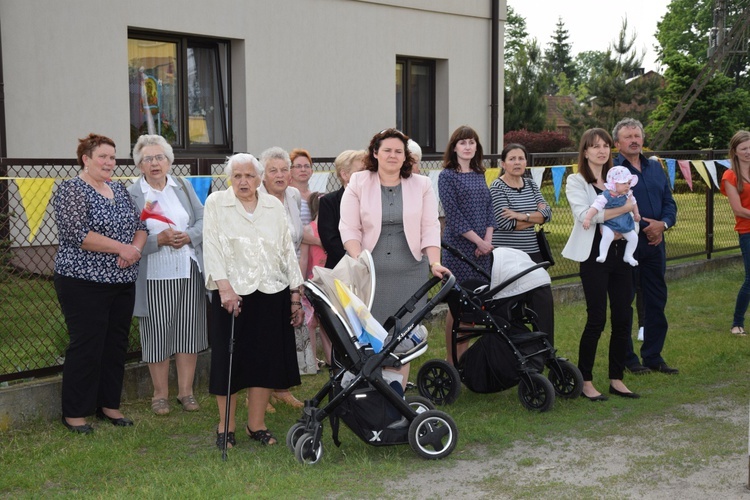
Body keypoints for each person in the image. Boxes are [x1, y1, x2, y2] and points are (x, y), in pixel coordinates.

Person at [203, 153, 304, 448]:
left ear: (260, 179)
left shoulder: (273, 205)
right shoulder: (216, 204)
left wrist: (295, 294)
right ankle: (226, 427)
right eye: (237, 176)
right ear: (229, 178)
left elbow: (287, 249)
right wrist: (224, 288)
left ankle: (256, 425)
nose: (243, 181)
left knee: (265, 361)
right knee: (228, 361)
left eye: (249, 176)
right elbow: (211, 246)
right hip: (232, 294)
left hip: (272, 291)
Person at [339, 128, 448, 389]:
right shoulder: (358, 182)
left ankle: (396, 395)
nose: (393, 155)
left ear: (405, 156)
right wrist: (358, 260)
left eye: (399, 151)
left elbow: (430, 227)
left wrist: (434, 262)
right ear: (375, 153)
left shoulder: (421, 185)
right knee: (371, 335)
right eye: (387, 150)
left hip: (409, 272)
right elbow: (349, 227)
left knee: (401, 337)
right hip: (370, 274)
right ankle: (370, 393)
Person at [53, 133, 147, 433]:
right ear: (86, 159)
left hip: (121, 281)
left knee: (115, 345)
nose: (109, 162)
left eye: (112, 156)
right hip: (83, 282)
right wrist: (121, 248)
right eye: (103, 157)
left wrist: (134, 250)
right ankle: (75, 413)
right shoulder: (71, 190)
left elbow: (141, 226)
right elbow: (76, 233)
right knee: (87, 345)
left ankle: (108, 405)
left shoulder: (118, 190)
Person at [128, 134, 208, 416]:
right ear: (139, 165)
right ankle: (160, 394)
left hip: (188, 271)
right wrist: (157, 241)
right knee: (157, 335)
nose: (154, 163)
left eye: (159, 157)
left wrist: (188, 236)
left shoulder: (183, 186)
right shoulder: (131, 194)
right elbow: (127, 239)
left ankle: (186, 393)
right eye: (147, 159)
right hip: (154, 277)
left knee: (188, 333)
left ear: (169, 161)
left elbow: (202, 221)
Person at [561, 128, 640, 401]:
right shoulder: (576, 180)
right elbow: (585, 215)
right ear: (585, 151)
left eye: (605, 145)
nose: (601, 150)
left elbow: (633, 207)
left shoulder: (619, 177)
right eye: (594, 146)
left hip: (621, 256)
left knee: (622, 316)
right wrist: (623, 211)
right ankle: (585, 380)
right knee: (597, 318)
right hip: (594, 255)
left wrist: (623, 219)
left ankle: (616, 378)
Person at [613, 118, 679, 375]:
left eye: (637, 136)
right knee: (624, 300)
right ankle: (628, 359)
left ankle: (653, 356)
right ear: (618, 143)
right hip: (626, 244)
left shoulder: (655, 168)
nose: (634, 140)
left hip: (655, 244)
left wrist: (663, 224)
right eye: (628, 136)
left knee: (656, 300)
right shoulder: (613, 171)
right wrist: (644, 227)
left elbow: (669, 202)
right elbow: (610, 205)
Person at [259, 146, 314, 408]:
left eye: (284, 170)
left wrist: (297, 280)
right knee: (264, 334)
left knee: (286, 332)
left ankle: (281, 388)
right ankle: (258, 392)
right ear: (263, 175)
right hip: (262, 274)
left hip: (289, 273)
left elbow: (297, 237)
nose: (279, 175)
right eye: (273, 171)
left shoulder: (293, 195)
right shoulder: (255, 198)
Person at [438, 125, 494, 364]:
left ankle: (464, 359)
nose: (468, 147)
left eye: (472, 142)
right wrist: (479, 241)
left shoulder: (480, 173)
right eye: (463, 142)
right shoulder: (446, 176)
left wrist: (487, 241)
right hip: (458, 251)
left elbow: (489, 208)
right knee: (457, 306)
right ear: (454, 147)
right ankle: (452, 362)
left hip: (483, 252)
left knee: (474, 305)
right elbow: (453, 215)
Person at [490, 143, 555, 343]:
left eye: (521, 158)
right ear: (503, 163)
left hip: (533, 254)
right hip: (507, 257)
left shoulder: (532, 184)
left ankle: (546, 351)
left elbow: (548, 214)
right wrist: (533, 217)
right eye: (512, 159)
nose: (517, 162)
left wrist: (521, 215)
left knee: (543, 303)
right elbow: (504, 223)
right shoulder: (497, 187)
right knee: (511, 309)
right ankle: (516, 352)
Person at [720, 130, 750, 337]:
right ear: (735, 152)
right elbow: (738, 209)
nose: (748, 152)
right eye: (744, 149)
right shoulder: (730, 176)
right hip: (747, 231)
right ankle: (737, 323)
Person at [583, 166, 642, 266]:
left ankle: (628, 255)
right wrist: (588, 218)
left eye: (628, 183)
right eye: (624, 183)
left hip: (624, 223)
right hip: (609, 224)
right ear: (613, 184)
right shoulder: (605, 196)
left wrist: (636, 213)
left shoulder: (628, 194)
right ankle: (602, 254)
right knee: (607, 236)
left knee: (634, 238)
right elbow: (595, 208)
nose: (627, 186)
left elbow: (634, 203)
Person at [318, 149, 367, 269]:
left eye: (368, 171)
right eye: (361, 171)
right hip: (341, 268)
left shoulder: (375, 199)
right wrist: (357, 262)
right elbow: (330, 240)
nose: (367, 175)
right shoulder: (329, 201)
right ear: (345, 175)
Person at [290, 148, 322, 248]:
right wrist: (319, 242)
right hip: (296, 254)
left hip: (314, 255)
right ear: (290, 170)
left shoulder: (316, 197)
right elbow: (291, 230)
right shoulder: (287, 196)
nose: (303, 169)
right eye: (298, 166)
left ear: (311, 171)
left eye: (306, 166)